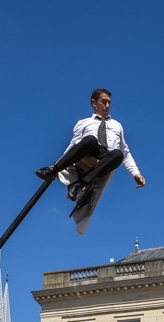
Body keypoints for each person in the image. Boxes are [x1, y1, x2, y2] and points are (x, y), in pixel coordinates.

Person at [35, 88, 146, 233]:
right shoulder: (83, 123)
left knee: (118, 154)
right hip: (87, 153)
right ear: (94, 103)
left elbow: (125, 152)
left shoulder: (117, 125)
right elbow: (73, 145)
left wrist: (136, 174)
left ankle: (81, 184)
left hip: (104, 159)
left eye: (109, 103)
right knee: (90, 139)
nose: (107, 105)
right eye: (104, 102)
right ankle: (52, 171)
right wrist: (58, 166)